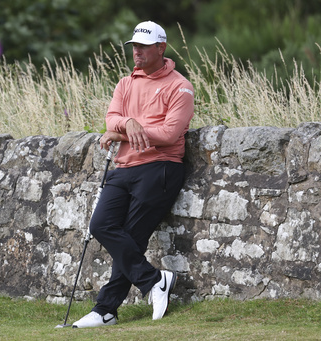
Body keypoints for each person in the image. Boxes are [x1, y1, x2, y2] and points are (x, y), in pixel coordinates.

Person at [72, 20, 194, 328]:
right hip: (124, 168)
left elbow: (169, 134)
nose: (136, 51)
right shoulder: (126, 83)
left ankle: (105, 310)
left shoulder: (180, 86)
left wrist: (121, 133)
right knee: (101, 225)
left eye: (143, 46)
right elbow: (112, 117)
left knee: (133, 238)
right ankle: (155, 279)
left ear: (161, 48)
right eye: (134, 46)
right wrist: (127, 123)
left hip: (160, 167)